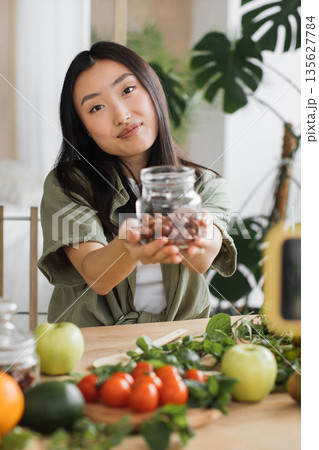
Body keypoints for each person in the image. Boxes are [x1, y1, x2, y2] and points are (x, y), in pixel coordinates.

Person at [38, 41, 237, 327]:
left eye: (128, 90)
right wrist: (128, 245)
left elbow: (202, 259)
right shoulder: (68, 185)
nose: (122, 116)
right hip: (92, 346)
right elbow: (97, 276)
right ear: (84, 129)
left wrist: (192, 229)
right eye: (96, 107)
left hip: (180, 345)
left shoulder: (206, 185)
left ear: (152, 90)